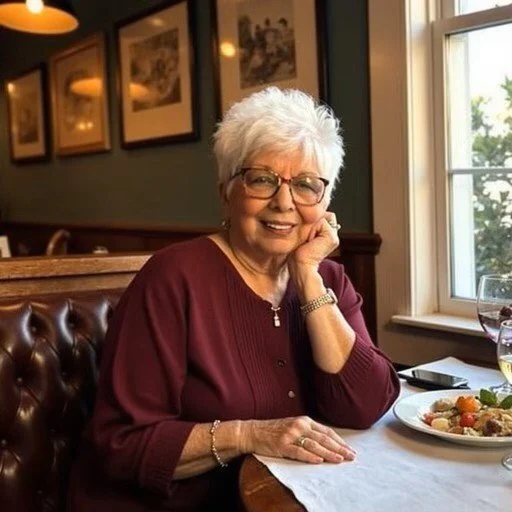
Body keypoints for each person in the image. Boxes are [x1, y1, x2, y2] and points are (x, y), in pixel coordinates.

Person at [67, 87, 400, 511]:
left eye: (306, 185)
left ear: (326, 202)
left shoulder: (327, 276)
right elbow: (122, 444)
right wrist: (248, 434)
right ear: (228, 189)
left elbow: (365, 406)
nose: (284, 203)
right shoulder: (172, 279)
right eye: (262, 180)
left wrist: (307, 276)